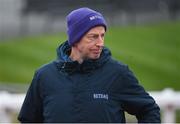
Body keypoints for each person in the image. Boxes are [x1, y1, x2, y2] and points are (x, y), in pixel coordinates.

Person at [18, 7, 161, 123]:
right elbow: (28, 120)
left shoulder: (118, 73)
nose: (100, 43)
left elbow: (149, 110)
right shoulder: (44, 76)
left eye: (102, 35)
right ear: (75, 39)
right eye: (93, 37)